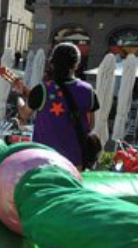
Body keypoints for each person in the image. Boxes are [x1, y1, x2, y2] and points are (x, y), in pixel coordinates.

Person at [17, 42, 99, 170]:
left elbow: (24, 114)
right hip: (74, 161)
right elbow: (90, 125)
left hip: (43, 160)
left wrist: (19, 98)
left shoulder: (42, 89)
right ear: (76, 64)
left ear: (52, 63)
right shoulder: (88, 90)